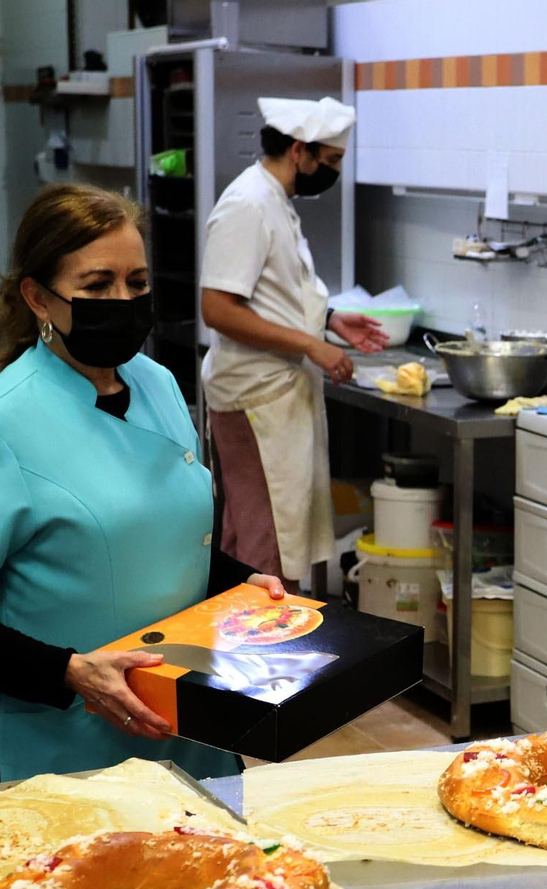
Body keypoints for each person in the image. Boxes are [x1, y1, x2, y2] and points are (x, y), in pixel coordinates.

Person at [0, 183, 286, 788]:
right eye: (98, 284)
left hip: (184, 738)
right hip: (52, 757)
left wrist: (241, 583)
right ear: (38, 297)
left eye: (137, 283)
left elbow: (160, 538)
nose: (124, 300)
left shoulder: (157, 384)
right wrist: (70, 671)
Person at [200, 96, 388, 593]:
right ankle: (260, 661)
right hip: (254, 399)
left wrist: (329, 321)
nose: (333, 173)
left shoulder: (275, 201)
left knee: (254, 539)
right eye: (331, 162)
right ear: (300, 150)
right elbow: (218, 308)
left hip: (276, 395)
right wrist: (311, 344)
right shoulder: (247, 204)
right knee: (266, 548)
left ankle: (246, 653)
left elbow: (270, 294)